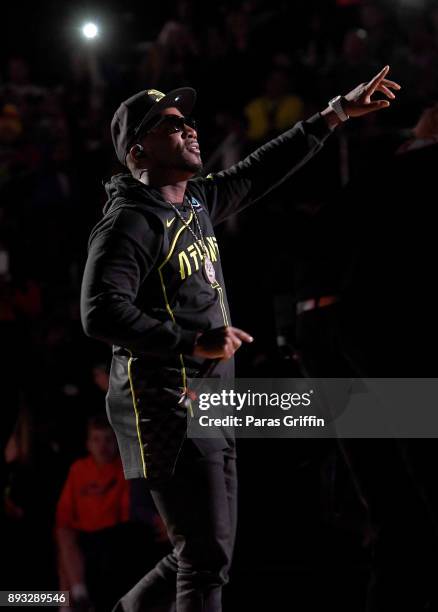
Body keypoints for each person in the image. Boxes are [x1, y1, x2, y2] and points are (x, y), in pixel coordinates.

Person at [80, 66, 400, 612]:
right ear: (137, 153)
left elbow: (259, 169)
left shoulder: (194, 202)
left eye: (188, 121)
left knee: (199, 554)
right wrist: (191, 341)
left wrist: (336, 112)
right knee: (205, 560)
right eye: (171, 125)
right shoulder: (130, 222)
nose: (189, 130)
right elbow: (99, 312)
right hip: (166, 405)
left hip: (209, 398)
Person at [55, 414, 130, 612]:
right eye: (96, 440)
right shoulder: (78, 469)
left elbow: (126, 513)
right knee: (63, 535)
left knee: (66, 560)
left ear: (116, 442)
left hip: (110, 533)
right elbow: (64, 512)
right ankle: (79, 595)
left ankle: (70, 605)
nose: (102, 446)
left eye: (108, 439)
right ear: (88, 444)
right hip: (83, 534)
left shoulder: (124, 469)